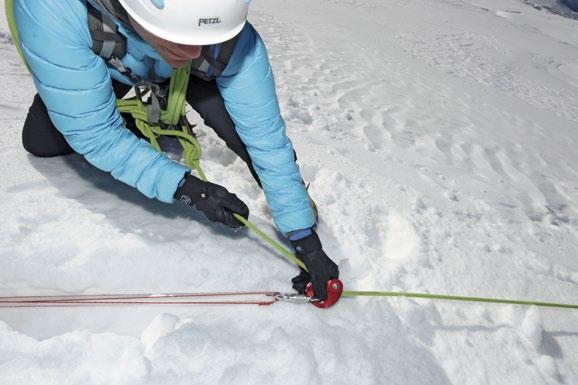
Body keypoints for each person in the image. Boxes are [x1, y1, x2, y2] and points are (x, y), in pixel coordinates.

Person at [10, 0, 339, 300]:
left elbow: (265, 137)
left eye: (203, 37)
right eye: (182, 36)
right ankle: (131, 112)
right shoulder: (52, 10)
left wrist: (304, 239)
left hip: (177, 71)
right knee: (41, 142)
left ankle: (166, 103)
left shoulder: (223, 37)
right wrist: (188, 188)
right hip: (106, 63)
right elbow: (95, 135)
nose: (195, 50)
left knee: (244, 133)